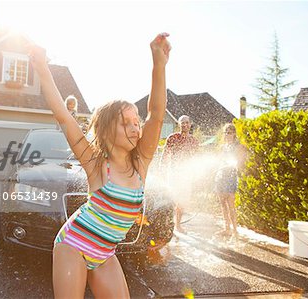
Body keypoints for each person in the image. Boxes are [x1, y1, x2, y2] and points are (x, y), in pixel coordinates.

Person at [30, 33, 171, 299]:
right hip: (73, 245)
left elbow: (156, 113)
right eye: (125, 122)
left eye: (135, 121)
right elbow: (63, 115)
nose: (135, 127)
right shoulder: (96, 164)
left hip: (105, 254)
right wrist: (41, 67)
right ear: (106, 131)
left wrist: (159, 64)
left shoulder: (140, 164)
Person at [161, 115, 198, 233]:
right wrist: (162, 169)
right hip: (173, 173)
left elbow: (195, 158)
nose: (184, 125)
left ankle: (177, 225)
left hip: (186, 174)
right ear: (178, 124)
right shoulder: (173, 137)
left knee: (182, 200)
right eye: (182, 123)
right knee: (171, 199)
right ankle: (167, 224)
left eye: (187, 122)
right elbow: (165, 154)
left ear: (190, 124)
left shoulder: (194, 141)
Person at [214, 123, 246, 238]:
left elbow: (240, 161)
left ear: (234, 134)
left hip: (231, 177)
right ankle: (226, 228)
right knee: (222, 204)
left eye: (230, 132)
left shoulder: (238, 146)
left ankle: (235, 231)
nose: (227, 134)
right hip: (220, 176)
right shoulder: (223, 147)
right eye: (226, 132)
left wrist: (233, 164)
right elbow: (219, 160)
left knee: (231, 203)